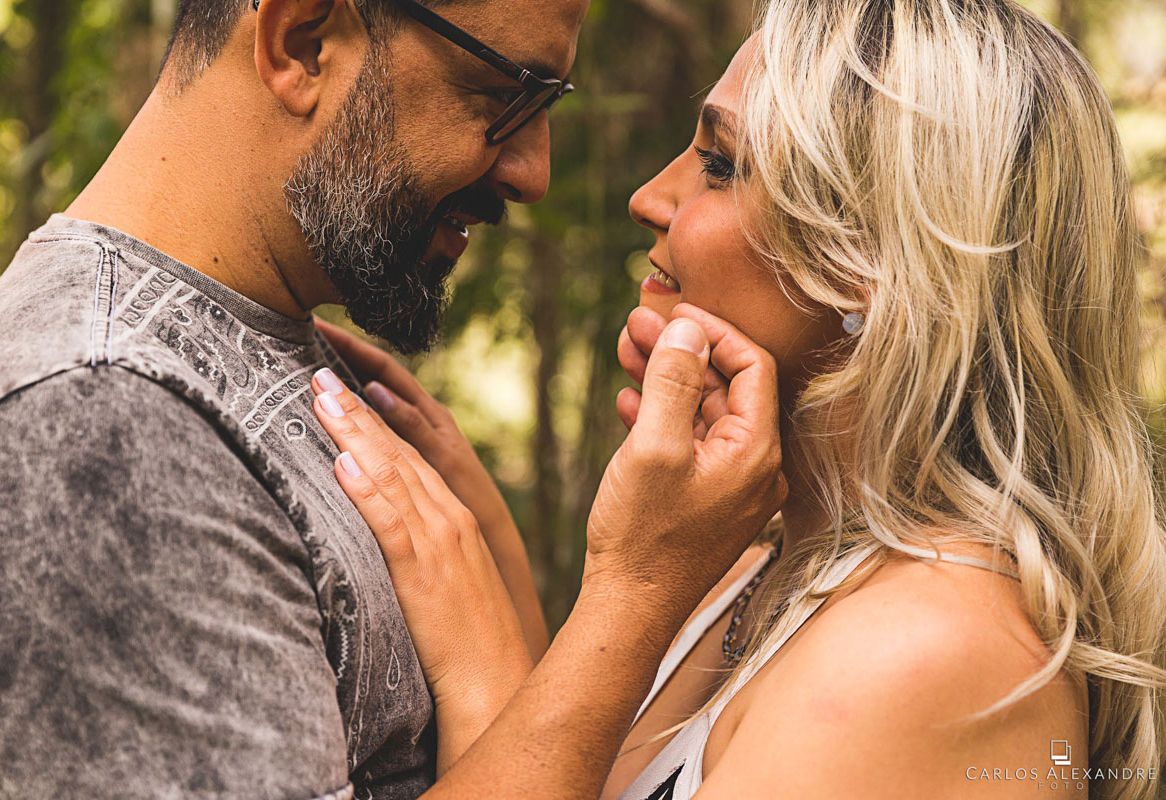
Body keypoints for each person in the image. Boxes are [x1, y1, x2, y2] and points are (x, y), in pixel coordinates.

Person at [313, 1, 1166, 798]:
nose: (651, 197)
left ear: (871, 260)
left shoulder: (927, 654)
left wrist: (492, 658)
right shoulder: (766, 560)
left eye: (719, 166)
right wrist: (488, 535)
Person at [0, 1, 793, 798]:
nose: (533, 172)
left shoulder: (291, 358)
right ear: (303, 40)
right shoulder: (103, 429)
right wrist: (635, 591)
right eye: (505, 97)